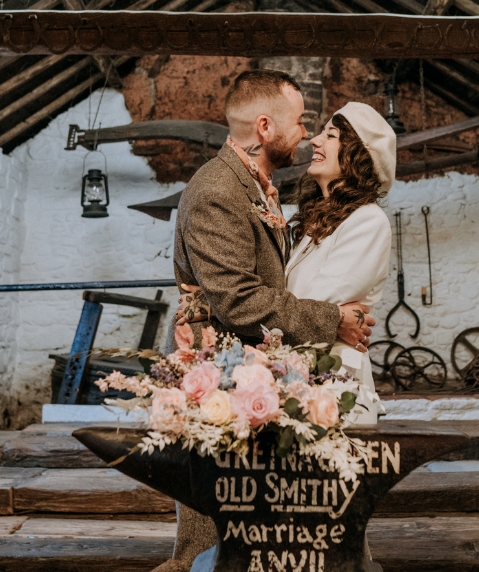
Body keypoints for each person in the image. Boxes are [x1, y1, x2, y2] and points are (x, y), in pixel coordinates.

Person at [158, 70, 376, 572]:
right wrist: (331, 320)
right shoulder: (216, 190)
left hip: (251, 370)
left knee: (259, 528)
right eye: (299, 122)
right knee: (214, 536)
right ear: (263, 127)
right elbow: (239, 301)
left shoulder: (257, 185)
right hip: (216, 373)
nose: (305, 133)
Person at [286, 102, 395, 424]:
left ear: (358, 155)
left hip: (335, 386)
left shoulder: (368, 222)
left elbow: (318, 304)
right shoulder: (316, 224)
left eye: (330, 135)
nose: (314, 142)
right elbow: (309, 311)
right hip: (300, 376)